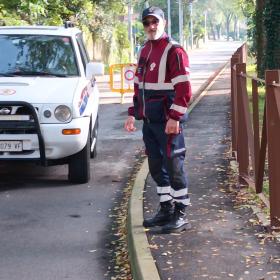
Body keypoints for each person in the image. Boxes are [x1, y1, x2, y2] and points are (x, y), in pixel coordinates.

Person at [124, 6, 192, 233]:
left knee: (174, 164)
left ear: (164, 23)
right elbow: (139, 86)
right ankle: (165, 209)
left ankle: (180, 213)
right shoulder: (144, 50)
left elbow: (184, 89)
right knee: (155, 165)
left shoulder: (174, 51)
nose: (151, 26)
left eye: (155, 22)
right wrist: (133, 113)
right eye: (147, 23)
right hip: (150, 121)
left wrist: (175, 117)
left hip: (167, 120)